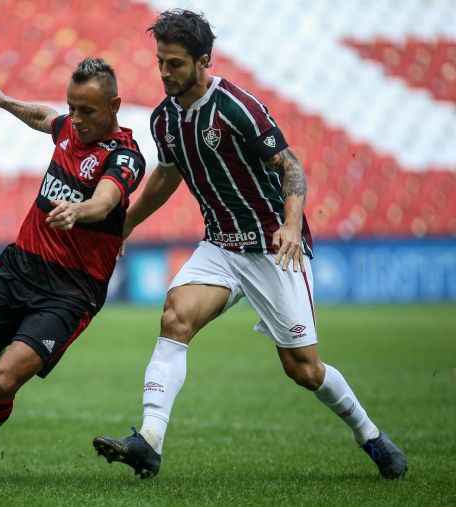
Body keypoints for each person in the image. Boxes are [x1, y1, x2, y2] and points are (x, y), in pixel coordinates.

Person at [92, 9, 407, 480]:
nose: (164, 72)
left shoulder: (237, 107)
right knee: (175, 316)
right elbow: (167, 174)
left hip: (271, 248)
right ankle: (149, 442)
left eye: (174, 63)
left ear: (204, 61)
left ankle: (371, 436)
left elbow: (291, 165)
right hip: (220, 246)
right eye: (160, 61)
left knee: (303, 369)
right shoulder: (165, 119)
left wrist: (292, 224)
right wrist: (126, 225)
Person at [0, 58, 146, 467]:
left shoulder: (125, 156)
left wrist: (79, 210)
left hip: (70, 292)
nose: (78, 120)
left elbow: (106, 200)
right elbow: (44, 117)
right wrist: (3, 101)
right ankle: (16, 338)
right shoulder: (68, 128)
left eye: (88, 110)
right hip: (20, 269)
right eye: (74, 108)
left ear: (115, 105)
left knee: (0, 384)